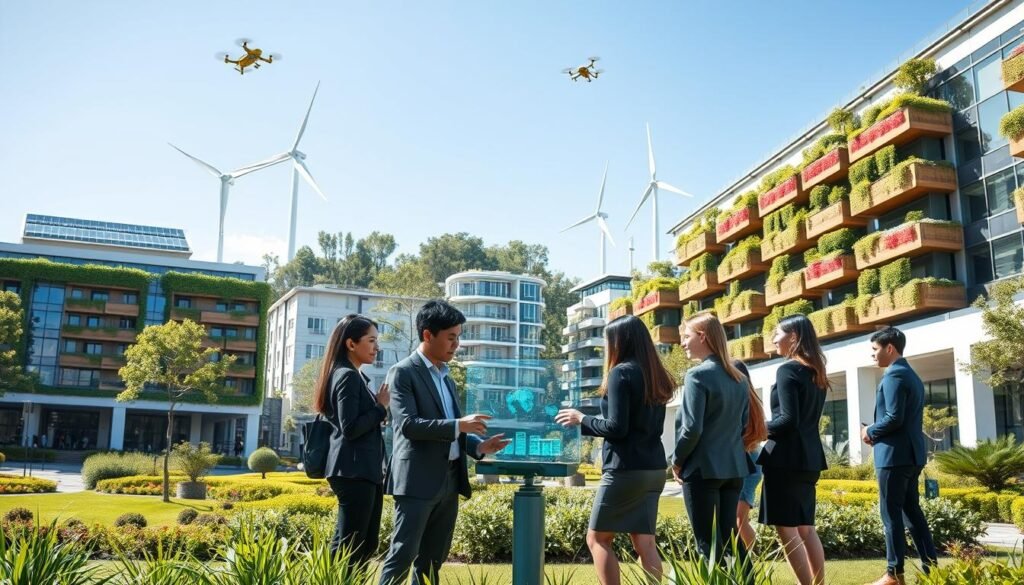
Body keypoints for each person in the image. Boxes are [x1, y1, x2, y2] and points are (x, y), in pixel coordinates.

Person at [378, 300, 510, 585]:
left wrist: (478, 446)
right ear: (428, 335)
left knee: (433, 561)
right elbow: (409, 425)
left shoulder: (447, 378)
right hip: (416, 482)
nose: (456, 345)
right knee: (403, 555)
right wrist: (459, 425)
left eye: (458, 337)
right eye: (451, 337)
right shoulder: (403, 372)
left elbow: (451, 427)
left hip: (449, 481)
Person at [555, 315, 675, 585]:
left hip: (625, 469)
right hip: (654, 468)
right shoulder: (656, 375)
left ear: (620, 342)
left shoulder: (621, 372)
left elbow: (616, 427)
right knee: (645, 542)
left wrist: (581, 419)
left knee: (597, 538)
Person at [674, 313, 755, 571]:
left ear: (703, 336)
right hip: (734, 470)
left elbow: (691, 429)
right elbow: (742, 425)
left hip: (702, 469)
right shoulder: (739, 379)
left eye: (687, 337)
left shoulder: (697, 376)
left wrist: (676, 461)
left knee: (707, 544)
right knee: (731, 539)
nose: (683, 343)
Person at [860, 327, 937, 585]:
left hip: (893, 458)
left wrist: (869, 430)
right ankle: (932, 570)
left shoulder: (893, 376)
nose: (872, 355)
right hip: (912, 455)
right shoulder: (911, 375)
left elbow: (894, 417)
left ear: (889, 348)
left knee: (890, 515)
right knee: (912, 513)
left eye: (875, 350)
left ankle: (893, 574)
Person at [313, 314, 390, 567]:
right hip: (353, 471)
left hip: (362, 471)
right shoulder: (346, 376)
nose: (376, 347)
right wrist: (380, 408)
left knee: (365, 544)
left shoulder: (351, 375)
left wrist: (377, 411)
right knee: (350, 545)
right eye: (371, 340)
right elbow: (350, 428)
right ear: (351, 344)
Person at [757, 314, 829, 585]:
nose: (773, 339)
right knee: (807, 529)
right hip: (809, 459)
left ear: (794, 338)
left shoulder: (787, 370)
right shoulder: (816, 371)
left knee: (787, 530)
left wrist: (754, 428)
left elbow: (787, 420)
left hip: (785, 460)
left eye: (777, 334)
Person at [733, 359, 768, 552]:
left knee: (739, 519)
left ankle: (751, 559)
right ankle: (746, 560)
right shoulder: (748, 399)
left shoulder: (748, 400)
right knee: (737, 519)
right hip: (746, 461)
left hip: (750, 463)